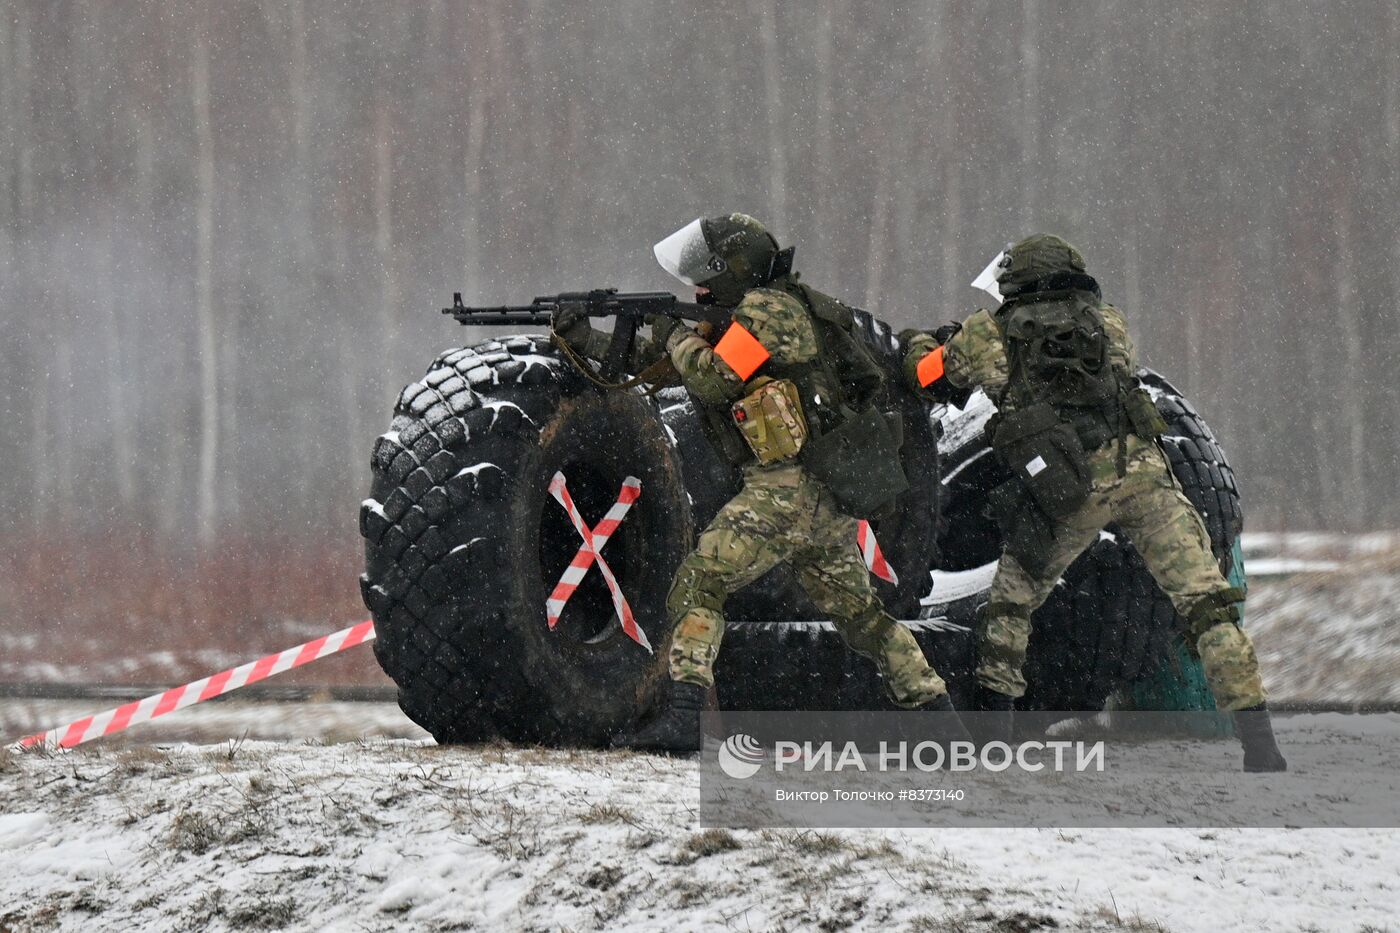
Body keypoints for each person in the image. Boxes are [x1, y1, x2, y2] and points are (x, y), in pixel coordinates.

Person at [556, 213, 966, 753]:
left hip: (785, 490)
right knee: (863, 618)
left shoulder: (768, 311)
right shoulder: (767, 313)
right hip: (822, 495)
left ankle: (684, 719)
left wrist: (676, 333)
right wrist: (586, 338)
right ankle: (942, 723)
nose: (697, 288)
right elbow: (668, 370)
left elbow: (711, 377)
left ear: (733, 269)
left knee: (699, 584)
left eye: (705, 275)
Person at [900, 234, 1286, 772]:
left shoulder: (987, 332)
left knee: (1010, 610)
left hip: (1065, 490)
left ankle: (993, 739)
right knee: (1206, 604)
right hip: (1141, 473)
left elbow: (926, 377)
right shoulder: (1109, 322)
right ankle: (1260, 744)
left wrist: (927, 344)